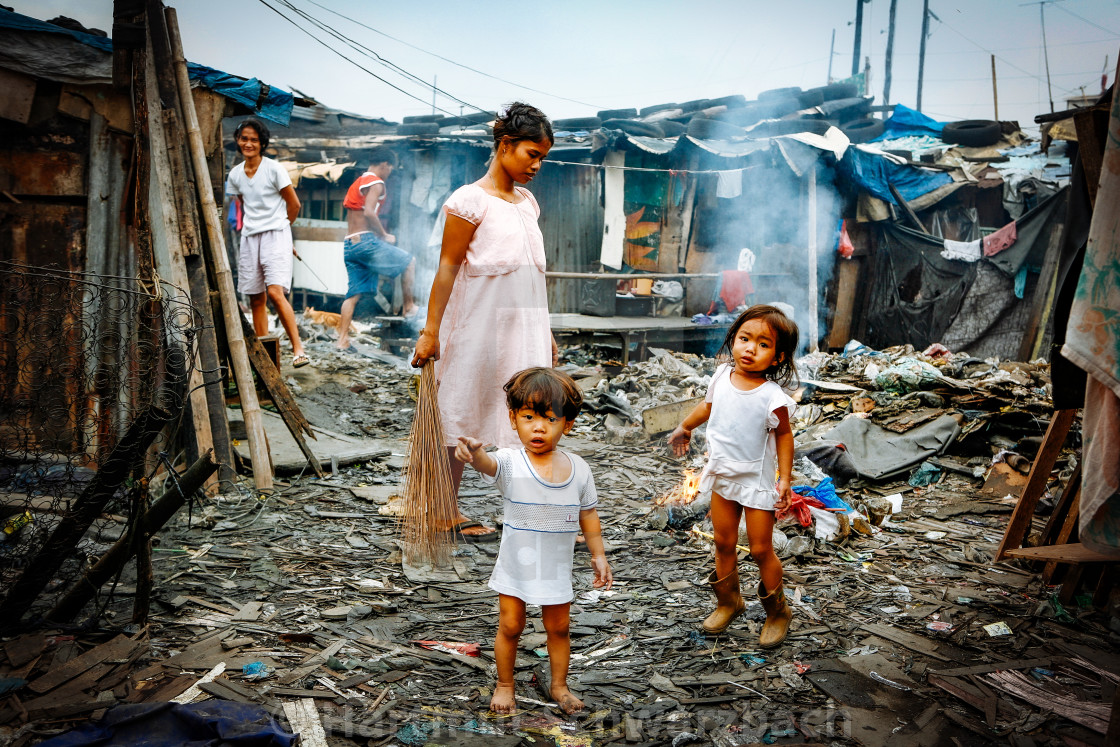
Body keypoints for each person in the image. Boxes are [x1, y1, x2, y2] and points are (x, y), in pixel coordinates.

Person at [411, 103, 558, 542]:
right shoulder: (468, 201)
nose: (537, 165)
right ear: (504, 145)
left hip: (525, 326)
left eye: (543, 158)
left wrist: (545, 331)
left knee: (529, 413)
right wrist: (431, 330)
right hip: (477, 323)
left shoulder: (527, 203)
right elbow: (447, 268)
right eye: (532, 154)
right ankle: (442, 509)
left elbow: (532, 275)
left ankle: (527, 510)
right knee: (462, 406)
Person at [455, 367, 611, 714]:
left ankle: (559, 685)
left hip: (556, 569)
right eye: (528, 417)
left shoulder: (579, 469)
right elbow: (487, 464)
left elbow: (589, 516)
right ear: (513, 419)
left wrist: (599, 555)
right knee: (511, 626)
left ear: (567, 424)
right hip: (516, 567)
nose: (538, 427)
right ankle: (505, 684)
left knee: (559, 628)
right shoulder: (511, 462)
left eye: (550, 419)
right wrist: (473, 453)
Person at [668, 305, 799, 648]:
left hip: (755, 483)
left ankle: (777, 612)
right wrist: (685, 426)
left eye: (763, 344)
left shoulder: (772, 397)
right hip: (723, 475)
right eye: (744, 338)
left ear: (778, 356)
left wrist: (784, 478)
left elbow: (784, 436)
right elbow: (708, 406)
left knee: (759, 549)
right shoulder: (721, 376)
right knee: (724, 542)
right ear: (733, 340)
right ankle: (729, 602)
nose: (750, 349)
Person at [226, 117, 310, 367]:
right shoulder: (235, 175)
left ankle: (298, 349)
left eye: (254, 139)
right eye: (244, 139)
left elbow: (294, 205)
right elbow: (243, 204)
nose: (248, 143)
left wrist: (285, 234)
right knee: (255, 297)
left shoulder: (274, 169)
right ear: (238, 141)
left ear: (262, 143)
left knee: (275, 292)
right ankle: (265, 357)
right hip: (251, 237)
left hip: (276, 233)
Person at [336, 147, 419, 351]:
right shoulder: (376, 182)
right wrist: (383, 235)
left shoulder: (358, 181)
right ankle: (408, 307)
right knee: (409, 261)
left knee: (353, 295)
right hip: (365, 242)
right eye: (391, 168)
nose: (390, 172)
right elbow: (370, 213)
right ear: (385, 164)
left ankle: (342, 340)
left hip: (350, 244)